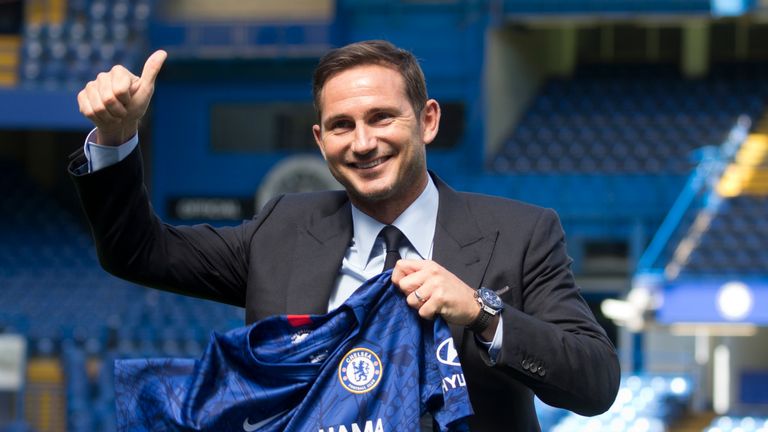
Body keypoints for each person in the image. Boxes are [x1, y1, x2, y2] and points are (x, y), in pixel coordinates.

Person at [70, 40, 620, 431]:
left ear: (427, 120)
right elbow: (138, 252)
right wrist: (117, 139)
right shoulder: (283, 229)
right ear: (320, 138)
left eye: (382, 117)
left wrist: (481, 313)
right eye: (341, 125)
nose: (362, 142)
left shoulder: (520, 233)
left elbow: (594, 384)